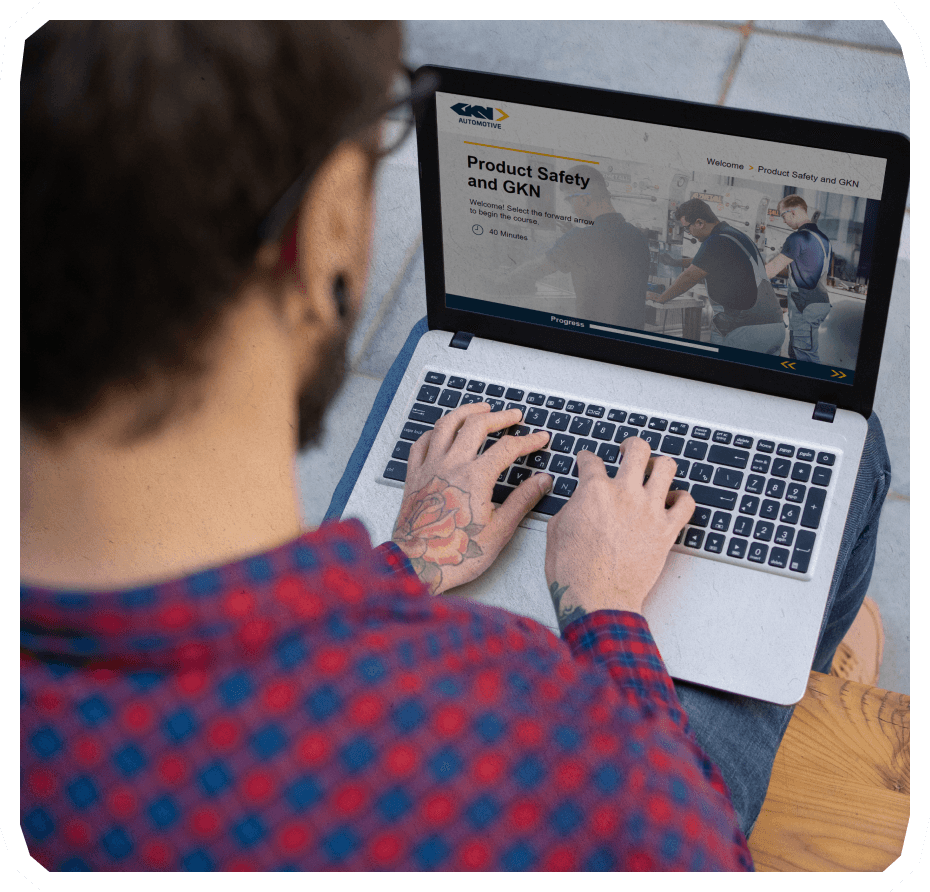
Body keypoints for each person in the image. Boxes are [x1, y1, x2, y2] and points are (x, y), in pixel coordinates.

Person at [19, 22, 889, 872]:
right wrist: (602, 608)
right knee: (858, 453)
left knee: (440, 365)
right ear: (325, 227)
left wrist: (407, 560)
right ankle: (815, 684)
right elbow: (694, 851)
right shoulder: (535, 740)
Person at [495, 165, 651, 329]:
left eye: (569, 199)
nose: (571, 207)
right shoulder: (639, 237)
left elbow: (536, 268)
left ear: (584, 198)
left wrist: (502, 280)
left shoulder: (578, 239)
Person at [657, 198, 785, 354]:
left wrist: (661, 298)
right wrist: (675, 262)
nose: (688, 233)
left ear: (699, 222)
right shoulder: (735, 235)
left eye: (687, 228)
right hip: (775, 327)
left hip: (746, 329)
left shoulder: (715, 241)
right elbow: (705, 261)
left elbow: (690, 276)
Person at [765, 195, 833, 364]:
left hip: (806, 306)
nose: (783, 221)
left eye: (783, 216)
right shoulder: (823, 238)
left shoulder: (798, 238)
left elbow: (770, 270)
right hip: (814, 302)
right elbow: (808, 269)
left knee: (805, 357)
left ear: (793, 212)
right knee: (796, 352)